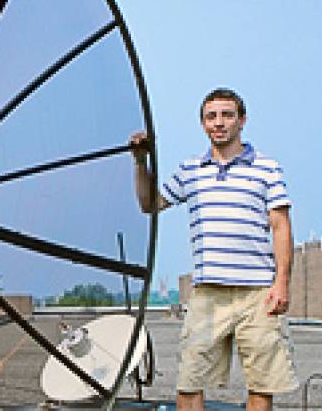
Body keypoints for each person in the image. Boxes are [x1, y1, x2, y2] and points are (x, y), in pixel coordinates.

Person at [131, 88, 295, 411]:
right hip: (208, 293)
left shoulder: (267, 168)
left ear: (241, 120)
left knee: (261, 384)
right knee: (189, 380)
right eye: (211, 117)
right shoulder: (191, 171)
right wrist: (140, 161)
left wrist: (282, 282)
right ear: (203, 124)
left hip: (258, 293)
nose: (219, 123)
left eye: (227, 115)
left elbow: (281, 226)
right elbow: (150, 203)